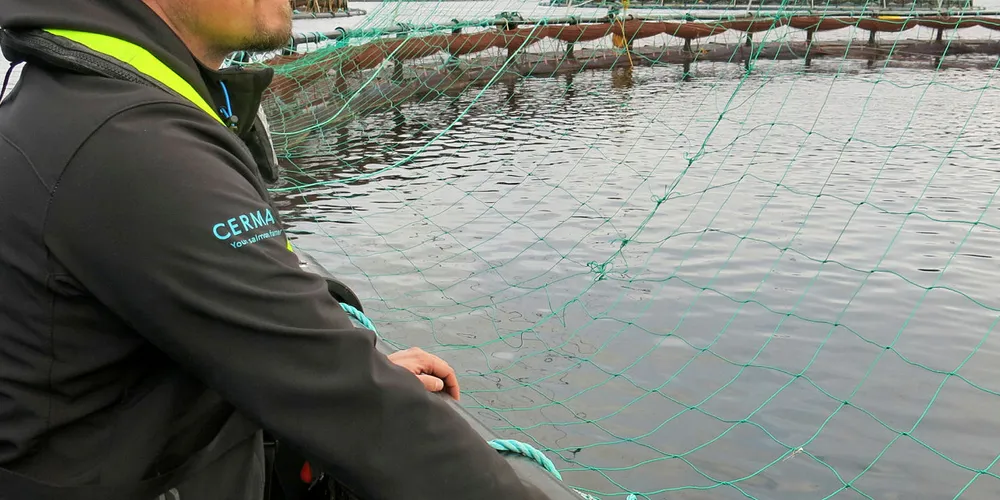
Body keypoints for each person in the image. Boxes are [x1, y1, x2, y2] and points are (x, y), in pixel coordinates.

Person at [0, 0, 553, 499]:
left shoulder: (86, 94)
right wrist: (342, 372)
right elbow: (343, 395)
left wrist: (346, 366)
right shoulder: (130, 146)